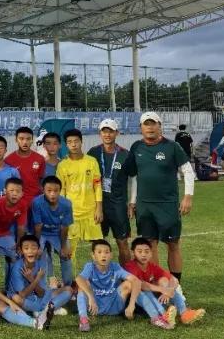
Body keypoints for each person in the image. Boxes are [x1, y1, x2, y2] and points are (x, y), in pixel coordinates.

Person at [121, 111, 196, 282]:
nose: (150, 128)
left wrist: (188, 197)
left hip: (167, 204)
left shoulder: (172, 146)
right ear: (141, 128)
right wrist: (132, 201)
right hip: (145, 206)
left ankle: (176, 284)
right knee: (150, 245)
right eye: (146, 124)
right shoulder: (136, 147)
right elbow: (134, 175)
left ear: (159, 126)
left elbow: (188, 171)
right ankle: (156, 283)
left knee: (173, 244)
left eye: (153, 124)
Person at [75, 239, 171, 332]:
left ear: (111, 255)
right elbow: (78, 279)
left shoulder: (115, 267)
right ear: (93, 255)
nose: (103, 255)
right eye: (99, 252)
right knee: (82, 286)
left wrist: (131, 305)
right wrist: (91, 297)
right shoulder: (90, 266)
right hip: (95, 307)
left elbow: (136, 281)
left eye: (106, 252)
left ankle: (155, 318)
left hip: (115, 306)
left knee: (130, 284)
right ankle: (83, 320)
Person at [124, 237, 205, 326]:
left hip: (152, 301)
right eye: (139, 252)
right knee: (144, 291)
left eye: (147, 251)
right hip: (136, 303)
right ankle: (160, 315)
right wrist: (162, 289)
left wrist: (168, 292)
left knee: (164, 281)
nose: (143, 255)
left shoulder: (152, 266)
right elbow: (140, 284)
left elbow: (174, 279)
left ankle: (184, 314)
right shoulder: (130, 266)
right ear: (133, 253)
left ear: (151, 253)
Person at [55, 129, 103, 275]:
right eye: (70, 142)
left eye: (76, 141)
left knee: (99, 247)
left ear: (81, 142)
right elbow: (61, 191)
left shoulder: (91, 161)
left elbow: (97, 185)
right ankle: (73, 281)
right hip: (72, 214)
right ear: (66, 144)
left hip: (90, 212)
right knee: (71, 250)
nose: (73, 144)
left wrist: (99, 208)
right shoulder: (63, 165)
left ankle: (99, 278)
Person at [86, 119, 131, 265]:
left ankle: (126, 275)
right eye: (104, 131)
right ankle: (100, 275)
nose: (107, 134)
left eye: (110, 131)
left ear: (117, 133)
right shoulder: (93, 152)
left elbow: (134, 178)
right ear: (100, 133)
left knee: (122, 242)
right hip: (98, 205)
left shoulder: (125, 154)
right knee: (98, 244)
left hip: (118, 205)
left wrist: (132, 203)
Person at [6, 234, 72, 327]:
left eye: (34, 248)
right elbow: (22, 295)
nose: (30, 251)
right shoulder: (17, 268)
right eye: (26, 248)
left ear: (38, 249)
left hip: (40, 297)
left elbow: (41, 293)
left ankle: (44, 310)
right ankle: (51, 307)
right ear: (21, 251)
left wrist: (31, 279)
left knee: (69, 289)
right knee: (16, 298)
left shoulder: (40, 264)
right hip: (26, 299)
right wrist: (36, 279)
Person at [28, 175, 74, 285]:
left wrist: (64, 247)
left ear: (60, 191)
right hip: (42, 233)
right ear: (43, 190)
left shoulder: (66, 204)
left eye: (56, 191)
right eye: (49, 191)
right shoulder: (37, 202)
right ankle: (42, 286)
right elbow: (38, 226)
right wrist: (37, 246)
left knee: (66, 256)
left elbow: (64, 227)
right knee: (38, 255)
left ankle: (68, 285)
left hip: (57, 233)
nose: (52, 194)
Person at [0, 177, 26, 286]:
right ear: (5, 191)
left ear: (22, 194)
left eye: (17, 191)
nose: (14, 194)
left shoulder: (23, 205)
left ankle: (11, 287)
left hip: (4, 233)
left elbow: (21, 227)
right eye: (11, 190)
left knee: (16, 255)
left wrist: (19, 245)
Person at [5, 126, 49, 206]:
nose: (25, 142)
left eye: (28, 139)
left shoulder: (40, 159)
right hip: (16, 203)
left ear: (32, 140)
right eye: (21, 139)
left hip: (35, 203)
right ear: (16, 140)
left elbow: (41, 181)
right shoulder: (8, 160)